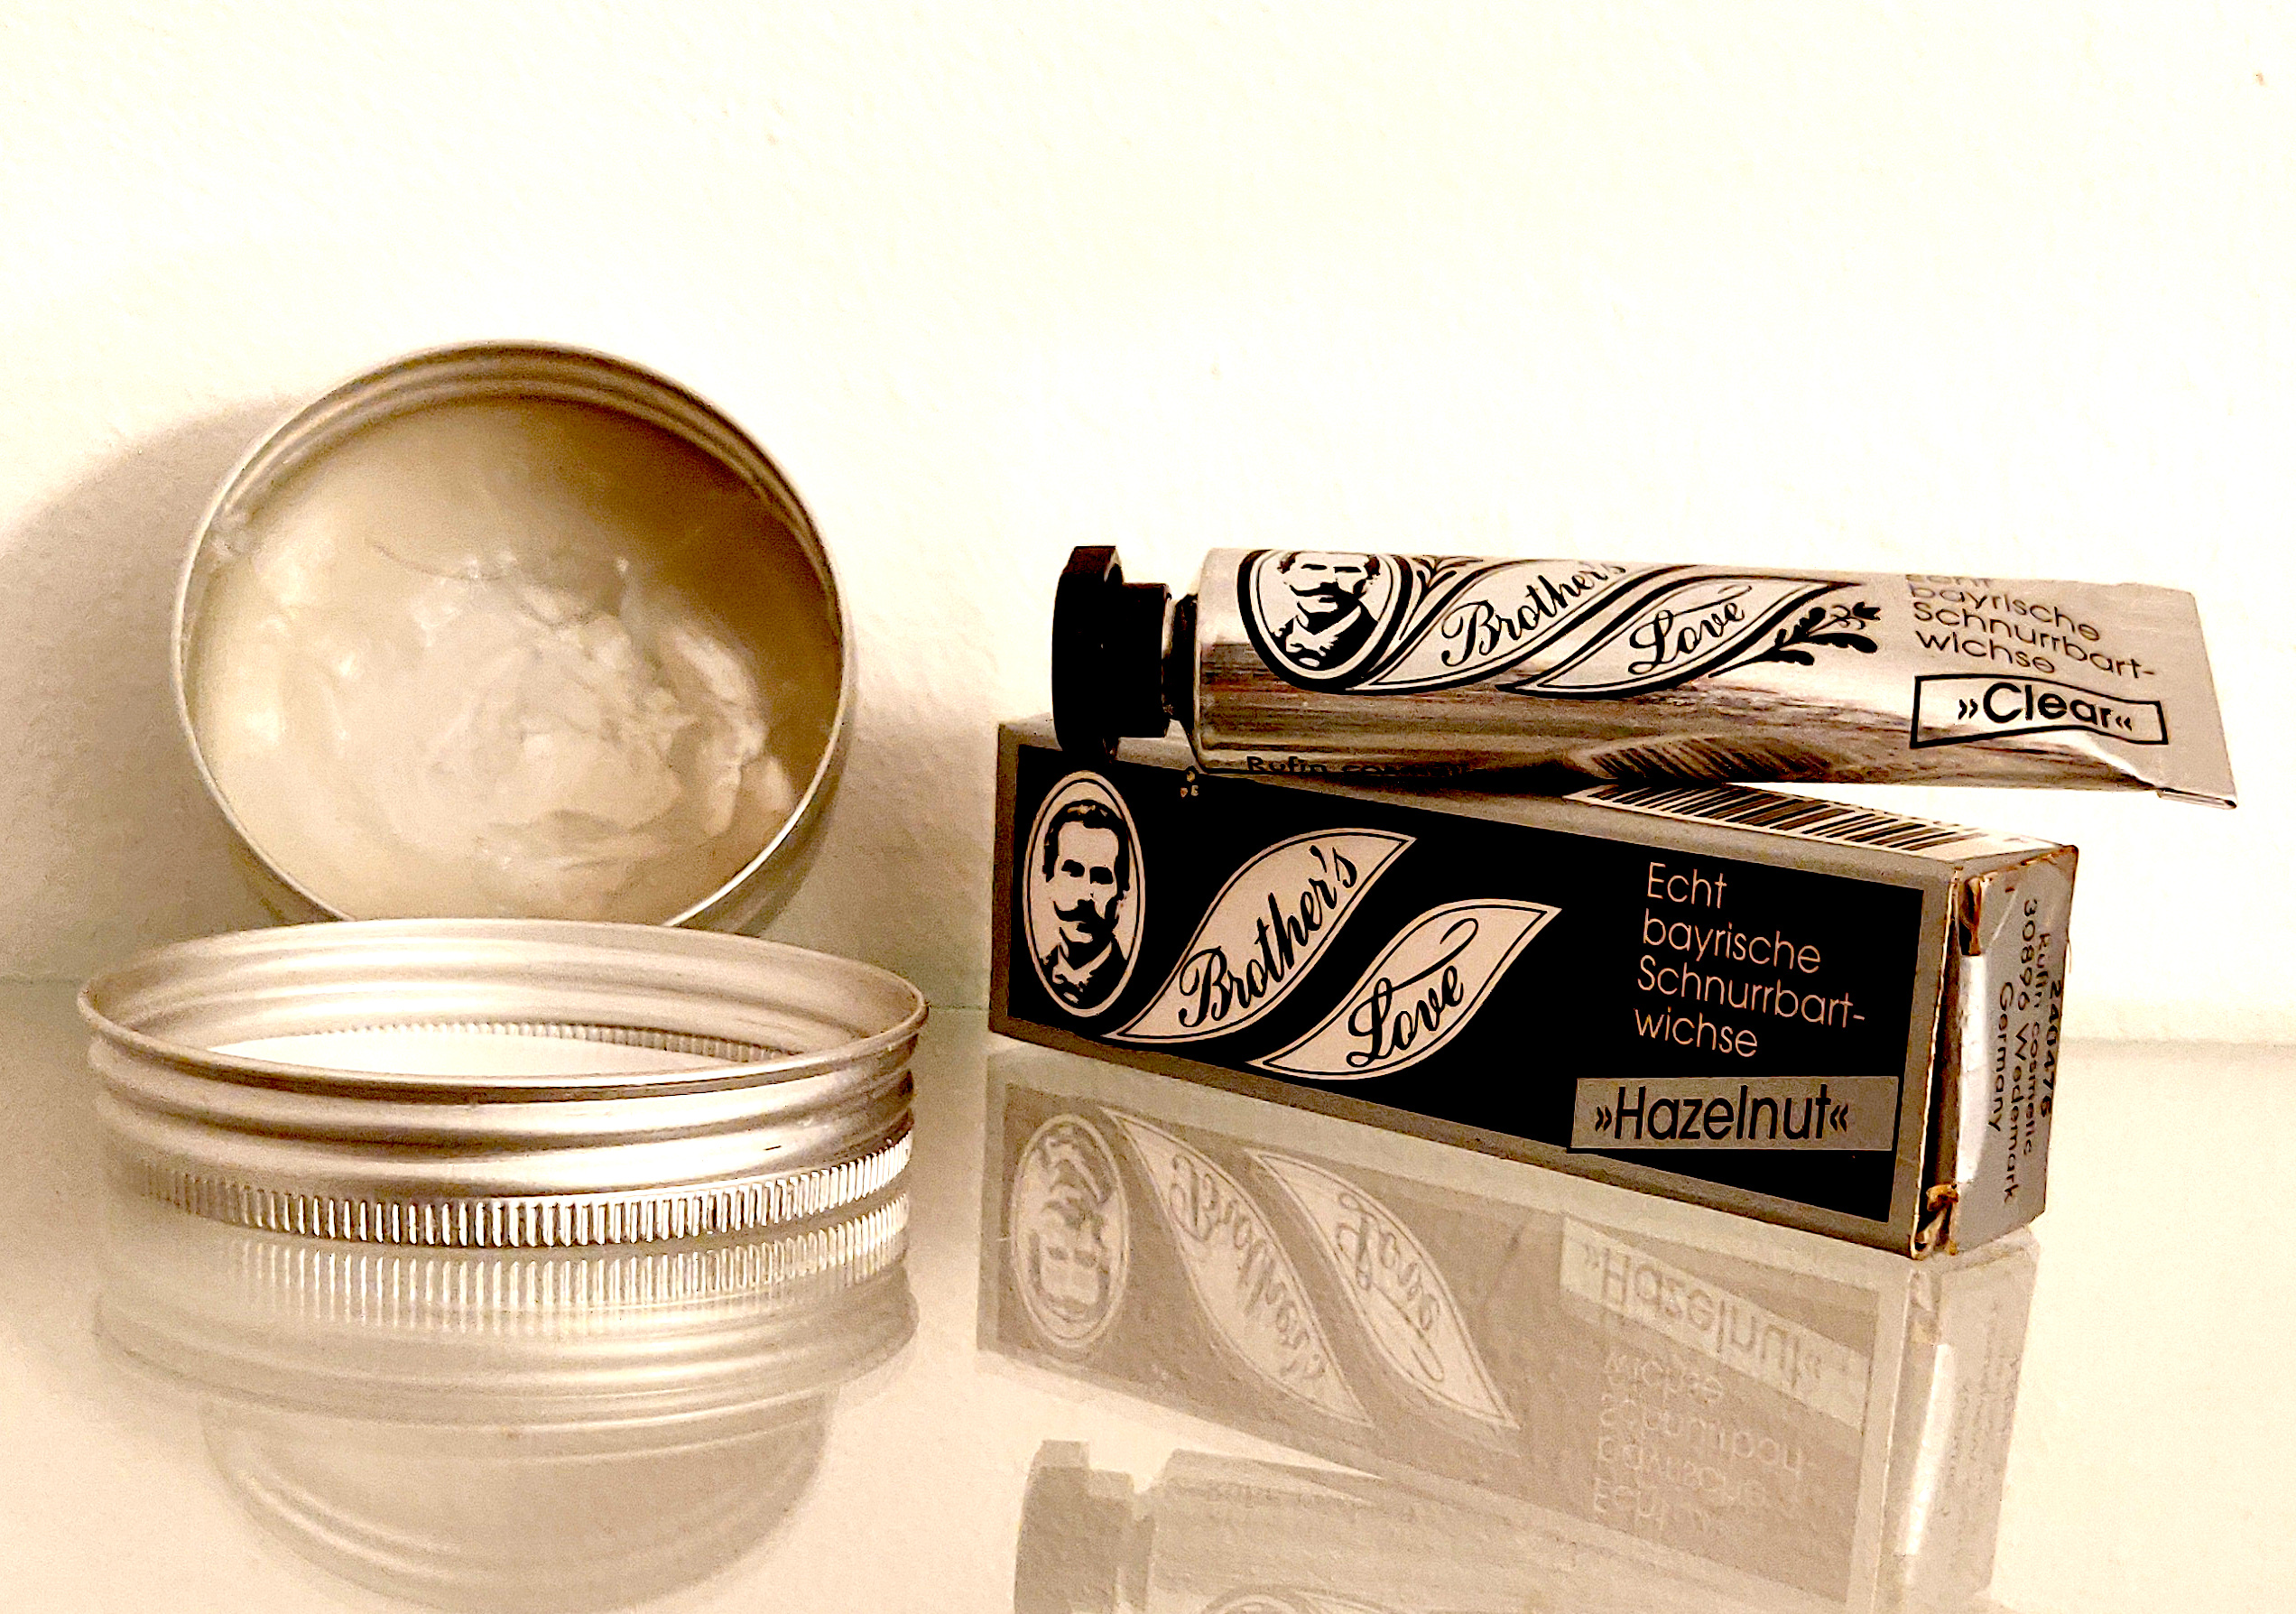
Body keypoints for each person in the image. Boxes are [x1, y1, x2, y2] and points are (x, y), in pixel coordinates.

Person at [1037, 798, 1134, 1010]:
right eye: (1072, 872)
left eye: (1101, 877)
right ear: (1048, 879)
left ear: (1122, 895)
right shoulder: (1033, 975)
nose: (1085, 895)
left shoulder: (1132, 986)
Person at [1271, 552, 1384, 670]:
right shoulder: (1273, 640)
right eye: (1312, 568)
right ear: (1285, 576)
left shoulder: (1381, 640)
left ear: (1371, 579)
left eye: (1347, 570)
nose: (1329, 580)